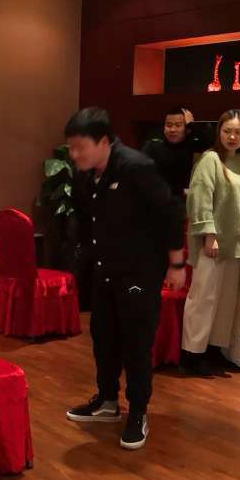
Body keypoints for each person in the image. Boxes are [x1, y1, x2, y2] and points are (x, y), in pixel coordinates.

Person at [65, 107, 186, 450]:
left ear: (103, 142)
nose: (74, 155)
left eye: (80, 147)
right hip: (105, 269)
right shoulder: (85, 174)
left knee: (136, 343)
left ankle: (138, 412)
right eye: (71, 148)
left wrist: (176, 264)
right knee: (103, 337)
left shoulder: (136, 167)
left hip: (139, 272)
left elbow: (170, 213)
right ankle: (107, 401)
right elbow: (85, 219)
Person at [181, 110, 240, 376]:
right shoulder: (210, 160)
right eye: (227, 131)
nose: (232, 137)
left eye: (238, 132)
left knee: (226, 301)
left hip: (235, 243)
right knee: (204, 298)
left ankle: (214, 351)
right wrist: (209, 236)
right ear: (219, 132)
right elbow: (200, 200)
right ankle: (192, 354)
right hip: (212, 243)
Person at [141, 108, 213, 219]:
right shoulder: (152, 146)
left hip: (186, 204)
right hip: (157, 202)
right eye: (169, 125)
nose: (172, 129)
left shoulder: (192, 145)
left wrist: (192, 125)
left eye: (178, 125)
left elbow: (211, 143)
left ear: (186, 129)